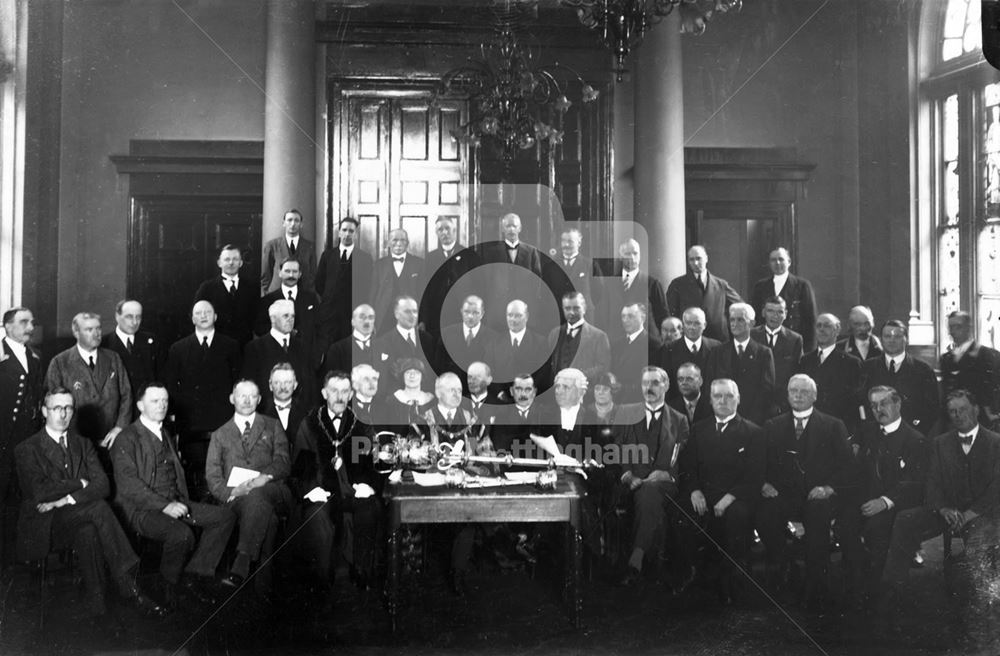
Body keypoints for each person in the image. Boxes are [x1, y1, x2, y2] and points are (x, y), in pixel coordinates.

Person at [15, 388, 165, 619]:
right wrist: (79, 483)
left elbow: (103, 486)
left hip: (77, 515)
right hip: (45, 523)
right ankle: (129, 581)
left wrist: (66, 498)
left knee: (89, 529)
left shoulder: (83, 444)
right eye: (57, 408)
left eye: (68, 408)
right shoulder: (27, 448)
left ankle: (97, 602)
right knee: (98, 509)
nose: (63, 414)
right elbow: (39, 492)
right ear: (45, 411)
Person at [112, 383, 236, 608]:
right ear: (140, 405)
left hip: (175, 501)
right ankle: (166, 588)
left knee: (224, 517)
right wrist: (164, 506)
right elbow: (129, 487)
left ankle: (194, 576)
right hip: (142, 509)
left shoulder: (165, 433)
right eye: (155, 401)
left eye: (164, 401)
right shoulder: (127, 438)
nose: (161, 406)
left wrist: (178, 502)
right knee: (181, 535)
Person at [884, 390, 1000, 610]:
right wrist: (944, 509)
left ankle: (977, 606)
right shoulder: (940, 443)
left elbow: (997, 489)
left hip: (981, 514)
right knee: (905, 519)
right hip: (947, 512)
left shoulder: (996, 443)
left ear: (976, 410)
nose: (957, 415)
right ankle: (892, 590)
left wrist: (968, 515)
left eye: (962, 409)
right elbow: (932, 482)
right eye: (952, 411)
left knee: (978, 547)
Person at [756, 374, 853, 607]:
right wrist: (764, 483)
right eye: (793, 391)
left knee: (818, 514)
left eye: (804, 391)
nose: (798, 395)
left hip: (817, 495)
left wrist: (829, 488)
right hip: (784, 495)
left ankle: (816, 581)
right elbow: (760, 463)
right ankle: (782, 567)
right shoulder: (772, 425)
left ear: (815, 396)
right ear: (787, 394)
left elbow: (848, 467)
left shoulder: (833, 425)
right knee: (765, 512)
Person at [838, 385, 927, 609]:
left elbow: (913, 483)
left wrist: (884, 502)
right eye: (873, 406)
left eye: (883, 404)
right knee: (844, 524)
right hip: (865, 500)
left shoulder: (915, 439)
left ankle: (878, 592)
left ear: (897, 404)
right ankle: (855, 584)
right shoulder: (867, 431)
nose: (878, 410)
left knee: (877, 528)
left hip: (896, 505)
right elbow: (856, 471)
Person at [679, 378, 766, 604]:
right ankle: (694, 574)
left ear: (738, 399)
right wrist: (695, 491)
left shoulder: (753, 432)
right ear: (710, 400)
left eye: (728, 396)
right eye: (717, 396)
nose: (723, 401)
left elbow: (754, 476)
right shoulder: (698, 429)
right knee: (681, 512)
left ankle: (732, 581)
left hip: (736, 496)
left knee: (736, 515)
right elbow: (688, 467)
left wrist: (728, 499)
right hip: (704, 494)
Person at [292, 371, 381, 590]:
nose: (339, 397)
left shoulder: (361, 425)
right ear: (324, 393)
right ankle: (323, 579)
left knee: (369, 508)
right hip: (323, 491)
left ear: (351, 394)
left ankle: (362, 572)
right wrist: (311, 489)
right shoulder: (310, 424)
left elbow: (374, 464)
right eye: (334, 391)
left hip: (352, 491)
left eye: (344, 391)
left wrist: (367, 484)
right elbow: (301, 466)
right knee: (316, 514)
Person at [205, 380, 292, 592]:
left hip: (273, 490)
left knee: (259, 494)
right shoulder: (219, 434)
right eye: (241, 395)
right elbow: (213, 476)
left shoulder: (272, 425)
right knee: (267, 519)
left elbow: (283, 462)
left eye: (252, 395)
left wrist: (265, 476)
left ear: (260, 400)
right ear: (232, 398)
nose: (246, 400)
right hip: (238, 499)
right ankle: (262, 590)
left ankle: (242, 563)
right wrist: (232, 491)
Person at [616, 366, 689, 586]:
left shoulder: (679, 419)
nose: (650, 388)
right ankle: (652, 563)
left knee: (650, 492)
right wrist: (627, 474)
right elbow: (617, 449)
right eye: (646, 383)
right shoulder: (626, 412)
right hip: (631, 480)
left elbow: (681, 457)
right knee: (648, 497)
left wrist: (666, 473)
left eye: (655, 383)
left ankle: (636, 557)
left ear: (666, 385)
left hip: (664, 482)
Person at [161, 300, 241, 497]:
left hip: (223, 420)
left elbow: (238, 382)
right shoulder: (178, 349)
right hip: (191, 423)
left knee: (225, 471)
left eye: (208, 312)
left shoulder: (230, 346)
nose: (203, 316)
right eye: (199, 313)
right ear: (192, 318)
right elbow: (171, 387)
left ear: (215, 317)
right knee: (196, 475)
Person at [46, 312, 132, 449]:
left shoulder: (113, 358)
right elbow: (53, 405)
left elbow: (127, 395)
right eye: (89, 330)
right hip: (76, 442)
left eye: (98, 328)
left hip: (111, 439)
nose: (96, 334)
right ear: (76, 332)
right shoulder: (60, 362)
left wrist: (119, 427)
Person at [0, 307, 44, 573]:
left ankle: (17, 554)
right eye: (23, 322)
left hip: (26, 440)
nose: (30, 327)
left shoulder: (35, 358)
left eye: (32, 322)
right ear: (7, 327)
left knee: (22, 494)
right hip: (2, 438)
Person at [860, 319, 940, 436]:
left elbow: (932, 410)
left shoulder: (923, 370)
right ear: (881, 339)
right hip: (875, 436)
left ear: (906, 339)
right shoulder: (867, 368)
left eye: (897, 336)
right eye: (887, 336)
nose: (892, 340)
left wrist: (916, 433)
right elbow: (861, 403)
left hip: (911, 438)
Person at [707, 303, 775, 426]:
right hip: (722, 418)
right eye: (732, 319)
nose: (734, 323)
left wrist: (751, 421)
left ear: (752, 323)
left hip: (753, 421)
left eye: (740, 320)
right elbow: (710, 385)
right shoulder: (717, 352)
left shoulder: (763, 353)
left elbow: (766, 390)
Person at [796, 313, 862, 431]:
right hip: (809, 427)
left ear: (837, 330)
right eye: (819, 326)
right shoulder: (805, 360)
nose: (822, 329)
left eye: (827, 326)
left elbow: (854, 405)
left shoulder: (851, 363)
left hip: (837, 428)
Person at [478, 213, 544, 329]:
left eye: (514, 226)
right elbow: (486, 282)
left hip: (523, 309)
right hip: (498, 310)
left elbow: (537, 282)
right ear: (503, 229)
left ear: (520, 228)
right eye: (508, 226)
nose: (511, 229)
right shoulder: (491, 253)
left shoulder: (531, 252)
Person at [315, 216, 375, 346]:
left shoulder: (365, 258)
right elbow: (319, 284)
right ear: (339, 232)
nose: (347, 234)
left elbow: (368, 286)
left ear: (356, 234)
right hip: (329, 315)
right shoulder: (328, 255)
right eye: (344, 230)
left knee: (349, 350)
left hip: (352, 314)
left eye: (351, 231)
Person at [242, 299, 312, 404]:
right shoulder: (255, 348)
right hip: (267, 413)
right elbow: (250, 386)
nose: (290, 320)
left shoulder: (302, 346)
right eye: (285, 316)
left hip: (298, 414)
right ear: (273, 319)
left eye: (292, 316)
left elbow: (310, 386)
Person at [666, 245, 742, 342]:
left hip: (718, 339)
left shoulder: (721, 285)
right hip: (690, 339)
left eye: (698, 258)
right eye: (691, 260)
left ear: (706, 258)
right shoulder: (677, 284)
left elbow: (740, 306)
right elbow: (671, 312)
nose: (696, 263)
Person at [420, 216, 481, 336]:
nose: (445, 233)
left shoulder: (469, 255)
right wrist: (423, 319)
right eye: (440, 230)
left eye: (447, 228)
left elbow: (478, 286)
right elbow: (424, 290)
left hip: (462, 315)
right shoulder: (430, 258)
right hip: (436, 317)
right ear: (436, 233)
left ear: (455, 230)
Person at [940, 310, 1000, 429]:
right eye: (951, 327)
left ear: (969, 328)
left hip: (981, 421)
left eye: (958, 327)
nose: (953, 332)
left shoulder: (987, 355)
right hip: (952, 422)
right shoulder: (946, 359)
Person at [255, 258, 321, 366]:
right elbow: (259, 328)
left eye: (295, 272)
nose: (291, 275)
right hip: (277, 356)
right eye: (287, 271)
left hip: (306, 358)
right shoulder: (268, 300)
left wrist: (318, 353)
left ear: (300, 274)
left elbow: (320, 327)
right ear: (280, 273)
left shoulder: (311, 298)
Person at [750, 247, 817, 352]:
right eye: (773, 260)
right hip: (764, 344)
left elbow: (810, 320)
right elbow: (756, 318)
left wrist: (809, 351)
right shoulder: (760, 286)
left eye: (781, 259)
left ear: (789, 262)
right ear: (769, 263)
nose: (777, 263)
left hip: (792, 345)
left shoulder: (802, 286)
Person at [193, 244, 258, 346]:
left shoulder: (251, 287)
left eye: (235, 259)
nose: (231, 263)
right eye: (227, 259)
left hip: (244, 345)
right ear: (219, 263)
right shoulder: (207, 288)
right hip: (217, 345)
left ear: (241, 263)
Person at [102, 299, 162, 409]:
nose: (134, 322)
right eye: (129, 317)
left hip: (145, 409)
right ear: (117, 316)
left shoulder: (151, 341)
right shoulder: (103, 344)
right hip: (117, 412)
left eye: (138, 317)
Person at [750, 296, 803, 416]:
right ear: (763, 313)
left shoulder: (795, 339)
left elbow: (796, 372)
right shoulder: (751, 335)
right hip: (755, 403)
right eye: (770, 311)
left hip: (783, 405)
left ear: (786, 314)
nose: (775, 316)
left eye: (780, 312)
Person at [606, 238, 668, 342]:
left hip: (647, 345)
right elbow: (603, 316)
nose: (632, 257)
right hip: (617, 345)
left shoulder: (652, 284)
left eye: (635, 253)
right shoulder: (609, 284)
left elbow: (663, 316)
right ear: (620, 257)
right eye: (627, 253)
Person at [657, 307, 721, 400]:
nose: (692, 327)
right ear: (683, 326)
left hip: (708, 405)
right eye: (688, 323)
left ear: (704, 325)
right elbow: (667, 382)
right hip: (679, 406)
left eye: (697, 323)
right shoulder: (670, 349)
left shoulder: (716, 347)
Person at [370, 228, 426, 335]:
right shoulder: (379, 264)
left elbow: (423, 294)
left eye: (403, 240)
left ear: (408, 243)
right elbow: (372, 295)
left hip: (409, 316)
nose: (399, 244)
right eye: (395, 240)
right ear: (388, 243)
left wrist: (422, 319)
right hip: (383, 319)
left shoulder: (419, 264)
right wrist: (371, 319)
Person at [486, 299, 550, 390]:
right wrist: (500, 392)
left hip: (528, 397)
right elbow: (489, 374)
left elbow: (542, 375)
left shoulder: (540, 343)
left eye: (518, 316)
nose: (513, 320)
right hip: (500, 398)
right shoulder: (494, 343)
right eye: (510, 315)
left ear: (527, 316)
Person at [548, 292, 610, 384]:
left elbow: (603, 367)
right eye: (567, 308)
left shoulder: (599, 336)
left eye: (576, 308)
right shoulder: (554, 334)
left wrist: (576, 377)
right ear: (563, 310)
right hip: (558, 391)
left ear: (584, 308)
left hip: (586, 392)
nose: (571, 312)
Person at [542, 228, 602, 324]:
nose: (566, 245)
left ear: (579, 243)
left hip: (584, 317)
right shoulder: (551, 266)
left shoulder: (590, 265)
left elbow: (598, 292)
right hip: (558, 317)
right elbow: (545, 293)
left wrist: (583, 306)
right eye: (563, 241)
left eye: (570, 241)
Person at [372, 296, 437, 383]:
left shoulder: (427, 339)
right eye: (407, 312)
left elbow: (432, 373)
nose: (412, 316)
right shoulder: (383, 342)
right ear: (396, 314)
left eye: (414, 311)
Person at [436, 295, 497, 388]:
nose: (470, 316)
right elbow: (438, 367)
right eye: (467, 312)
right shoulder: (446, 334)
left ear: (482, 313)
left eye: (476, 313)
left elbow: (495, 371)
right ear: (461, 312)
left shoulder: (493, 338)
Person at [610, 303, 660, 403]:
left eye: (630, 316)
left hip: (638, 400)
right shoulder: (617, 344)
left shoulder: (652, 344)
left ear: (643, 318)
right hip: (616, 400)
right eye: (623, 316)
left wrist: (623, 388)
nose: (625, 320)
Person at [260, 209, 316, 294]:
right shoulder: (272, 245)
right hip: (277, 295)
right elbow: (266, 276)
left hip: (302, 296)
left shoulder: (309, 247)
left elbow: (312, 275)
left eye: (296, 220)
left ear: (301, 224)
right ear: (284, 223)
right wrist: (266, 296)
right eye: (289, 220)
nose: (293, 224)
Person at [322, 303, 377, 377]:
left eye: (370, 318)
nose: (366, 321)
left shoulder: (384, 347)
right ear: (353, 321)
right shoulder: (337, 350)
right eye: (362, 317)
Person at [259, 363, 309, 439]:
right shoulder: (260, 412)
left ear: (295, 385)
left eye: (288, 382)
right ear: (270, 385)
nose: (282, 387)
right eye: (277, 382)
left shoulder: (307, 412)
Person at [385, 358, 436, 429]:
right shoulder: (391, 401)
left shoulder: (431, 401)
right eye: (408, 372)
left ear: (422, 376)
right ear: (402, 376)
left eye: (417, 372)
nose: (412, 376)